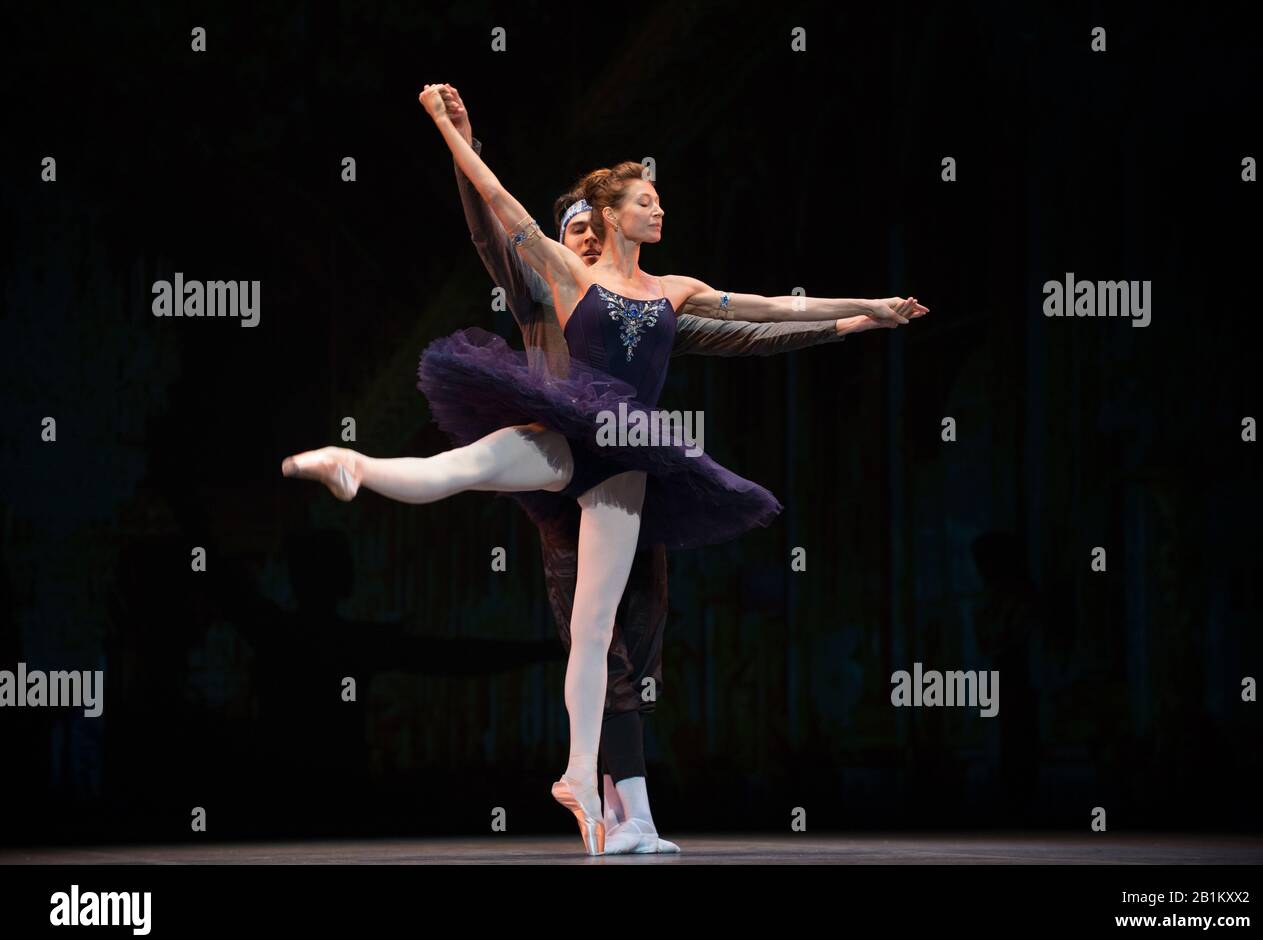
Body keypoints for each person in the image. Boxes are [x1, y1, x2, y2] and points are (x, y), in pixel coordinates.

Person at [282, 82, 928, 855]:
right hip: (561, 437)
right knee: (462, 472)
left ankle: (594, 791)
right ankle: (355, 463)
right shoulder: (550, 280)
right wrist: (453, 130)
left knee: (604, 629)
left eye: (617, 215)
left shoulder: (668, 291)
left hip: (622, 459)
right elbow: (495, 206)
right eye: (636, 204)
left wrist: (866, 312)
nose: (649, 213)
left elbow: (767, 313)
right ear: (594, 220)